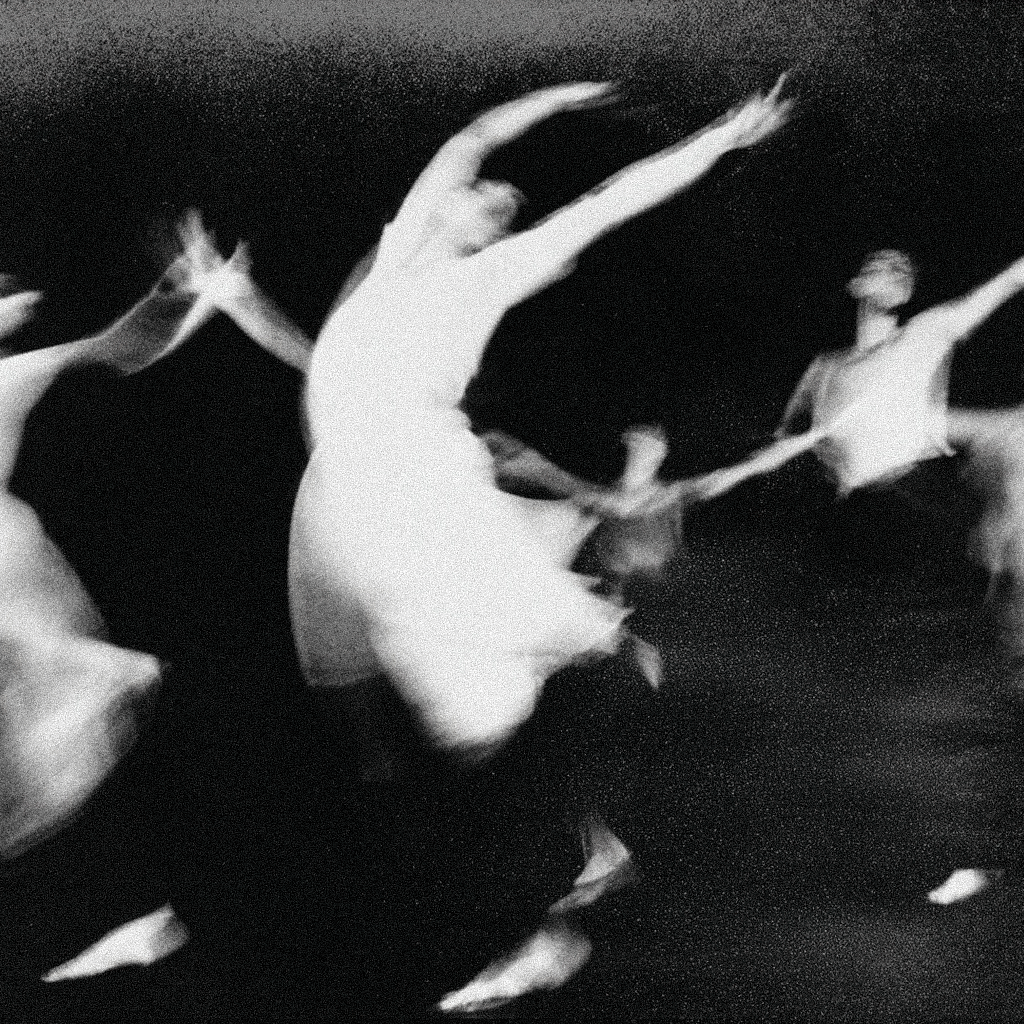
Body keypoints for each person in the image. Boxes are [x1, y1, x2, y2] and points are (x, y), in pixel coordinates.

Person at [291, 77, 793, 760]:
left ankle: (551, 694)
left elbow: (611, 203)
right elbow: (473, 138)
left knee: (453, 624)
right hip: (355, 469)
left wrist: (721, 138)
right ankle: (531, 690)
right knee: (421, 618)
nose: (480, 192)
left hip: (408, 457)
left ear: (485, 234)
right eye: (481, 189)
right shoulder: (402, 248)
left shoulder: (485, 277)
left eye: (493, 204)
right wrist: (559, 98)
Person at [776, 248, 1024, 495]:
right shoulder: (825, 367)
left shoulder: (923, 334)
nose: (896, 272)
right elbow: (785, 437)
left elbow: (1007, 282)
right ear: (856, 285)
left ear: (908, 292)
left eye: (902, 272)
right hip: (833, 497)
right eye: (881, 266)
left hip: (903, 496)